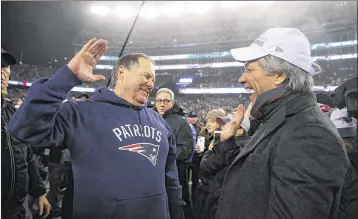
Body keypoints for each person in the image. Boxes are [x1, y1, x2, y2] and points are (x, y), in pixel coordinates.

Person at [8, 39, 185, 219]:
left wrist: (177, 212)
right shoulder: (79, 112)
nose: (150, 84)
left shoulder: (160, 123)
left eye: (153, 79)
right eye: (146, 76)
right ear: (121, 73)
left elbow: (171, 179)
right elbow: (24, 128)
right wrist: (67, 77)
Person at [215, 28, 350, 219]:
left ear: (279, 75)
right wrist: (229, 143)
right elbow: (257, 175)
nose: (241, 79)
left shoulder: (310, 133)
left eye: (249, 69)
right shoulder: (281, 118)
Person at [2, 48, 51, 219]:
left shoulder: (12, 113)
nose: (2, 72)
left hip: (16, 209)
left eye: (5, 66)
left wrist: (39, 192)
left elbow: (27, 154)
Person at [154, 88, 194, 219]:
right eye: (159, 101)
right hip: (154, 173)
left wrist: (162, 153)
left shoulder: (182, 122)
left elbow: (186, 150)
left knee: (176, 207)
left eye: (166, 101)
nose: (162, 104)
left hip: (175, 173)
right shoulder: (149, 117)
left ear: (172, 102)